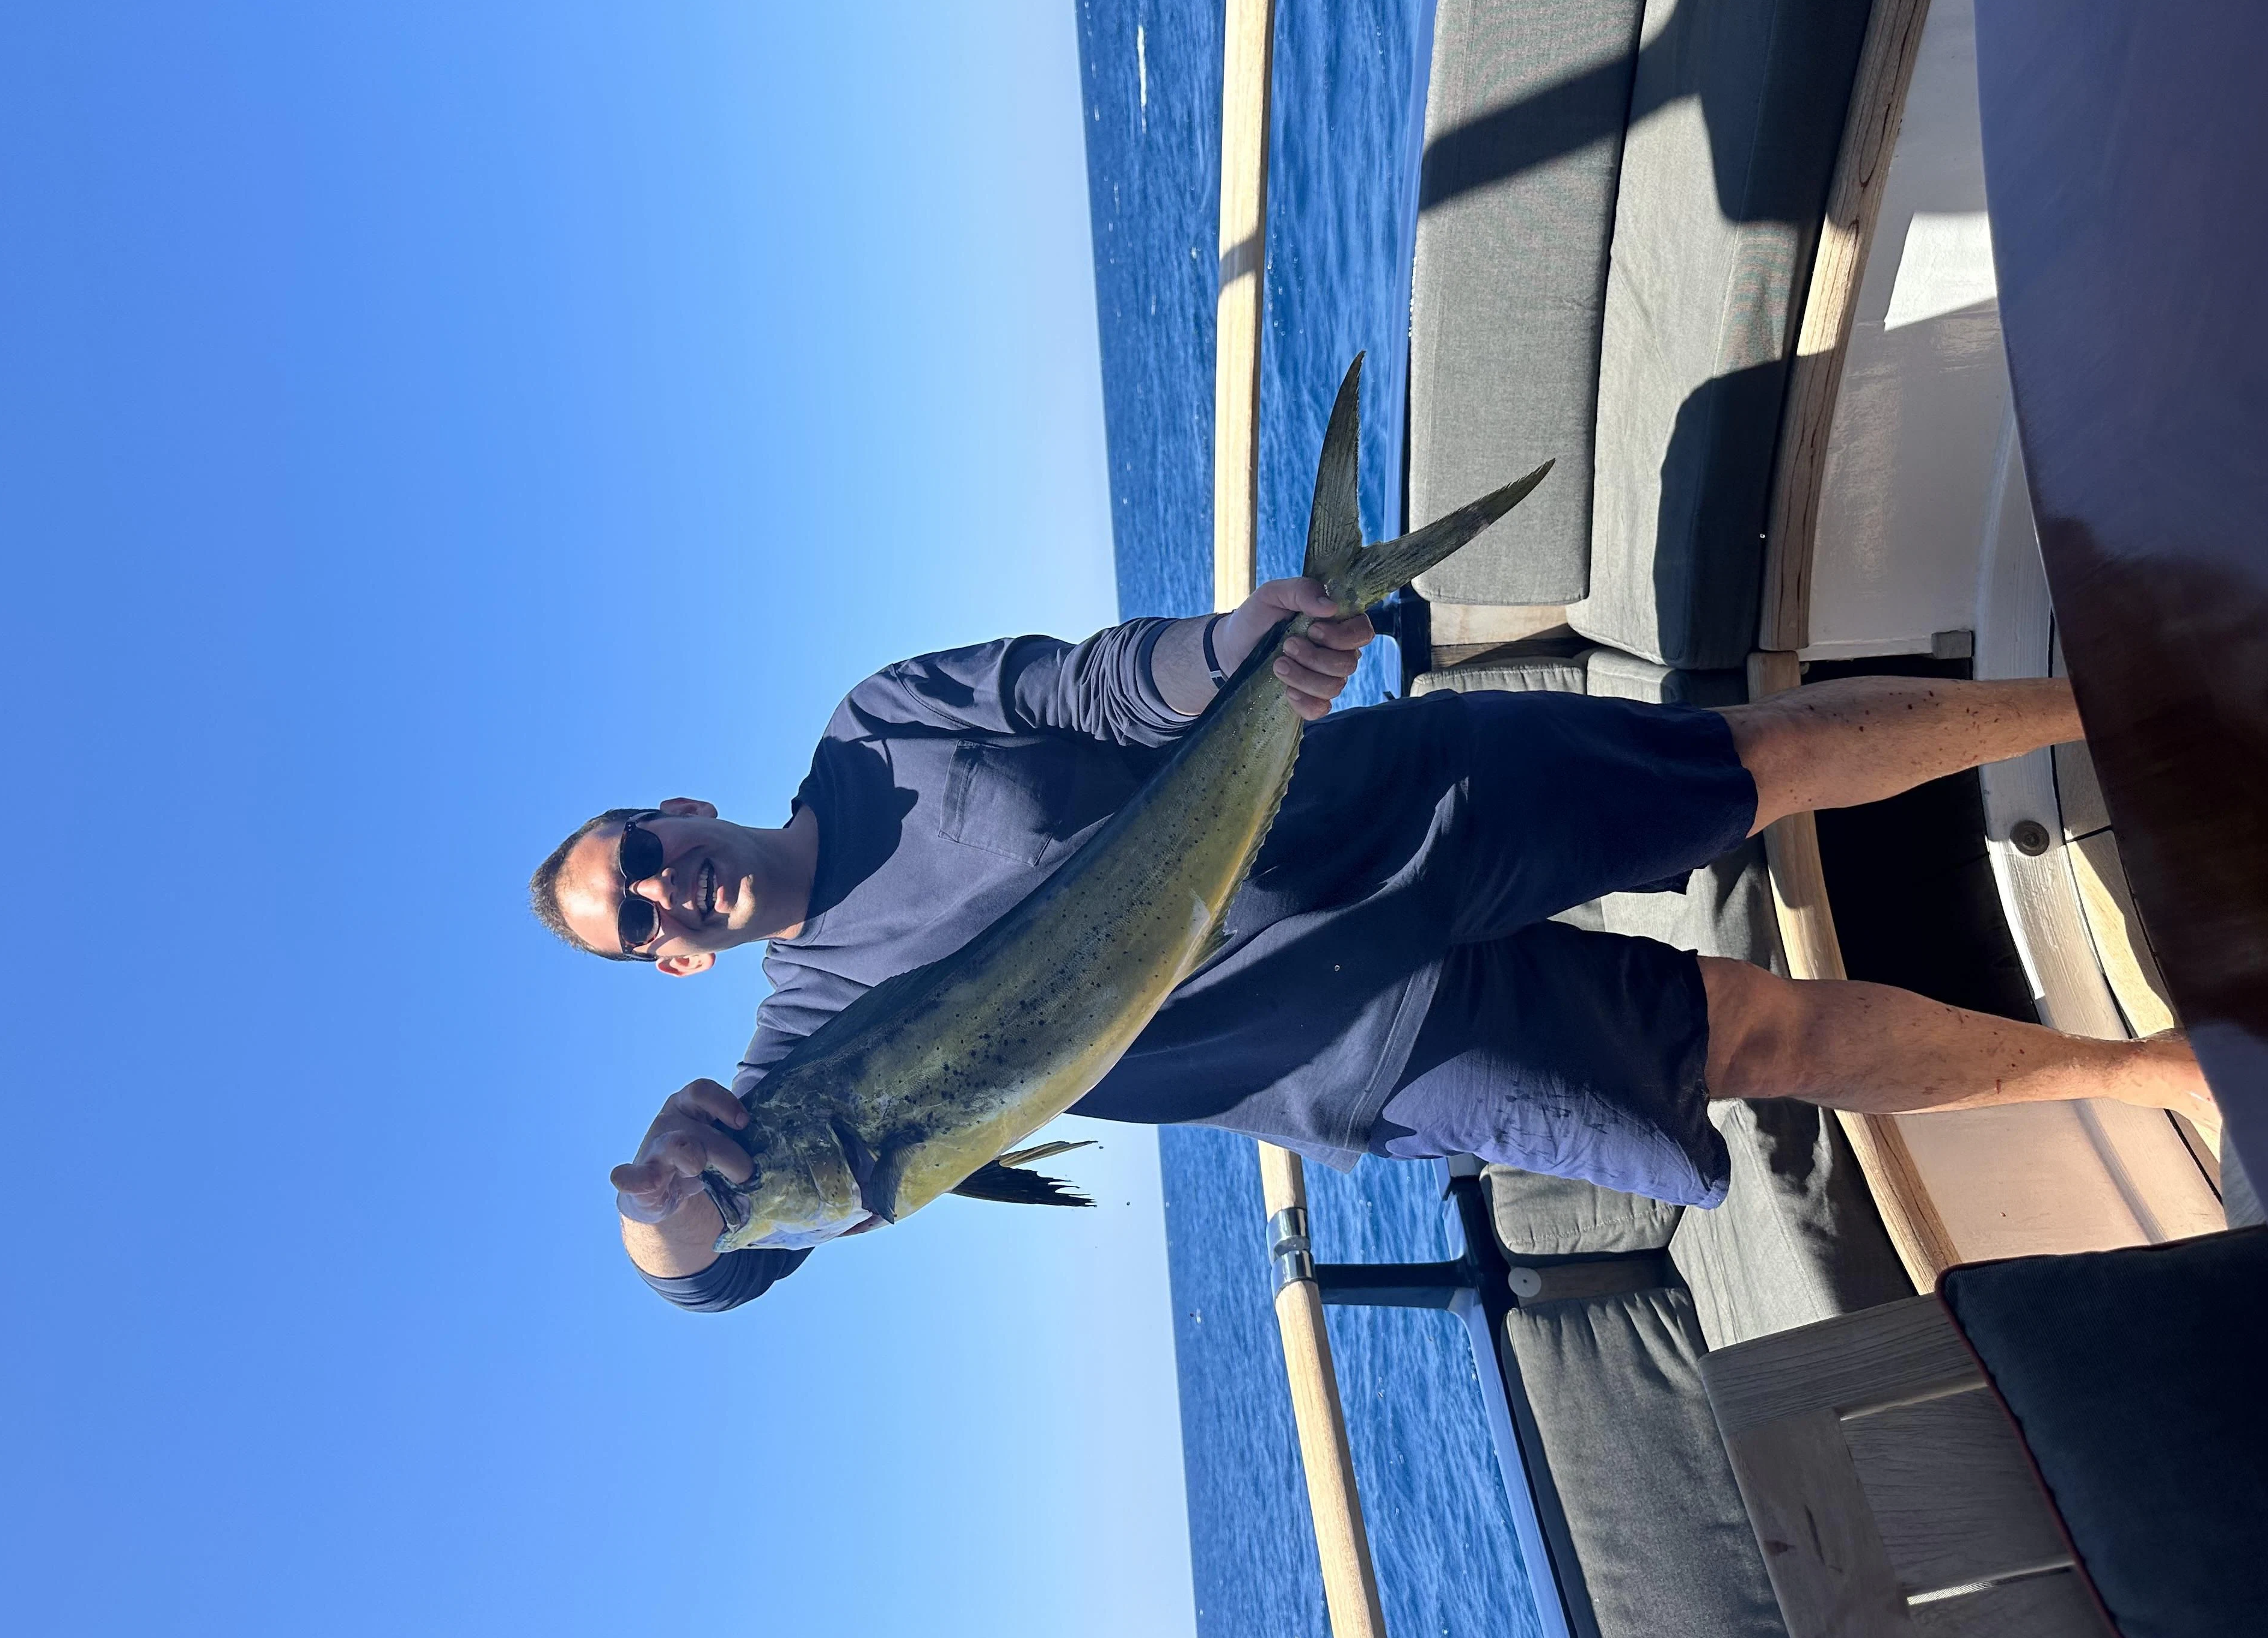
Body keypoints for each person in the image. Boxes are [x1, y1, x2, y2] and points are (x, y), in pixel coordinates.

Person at [530, 581, 2214, 1312]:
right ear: (673, 972)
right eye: (641, 926)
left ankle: (2114, 702)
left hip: (1379, 805)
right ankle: (2143, 1074)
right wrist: (666, 1214)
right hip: (1373, 1056)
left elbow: (1092, 691)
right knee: (1752, 1039)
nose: (667, 892)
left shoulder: (874, 723)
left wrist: (1234, 649)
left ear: (679, 808)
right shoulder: (790, 1084)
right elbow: (716, 1272)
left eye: (646, 857)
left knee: (1749, 765)